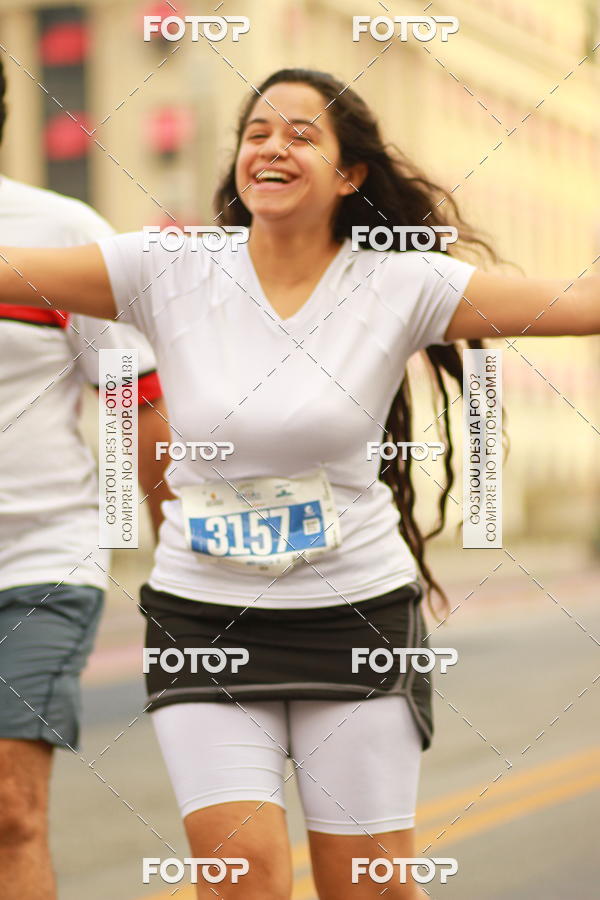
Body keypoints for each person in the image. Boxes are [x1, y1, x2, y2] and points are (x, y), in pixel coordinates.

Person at [0, 68, 598, 899]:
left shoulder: (399, 281)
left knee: (367, 889)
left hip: (353, 615)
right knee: (240, 882)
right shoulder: (165, 270)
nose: (273, 147)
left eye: (301, 133)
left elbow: (577, 302)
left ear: (349, 174)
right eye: (256, 133)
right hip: (204, 619)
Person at [0, 62, 172, 900]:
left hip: (37, 557)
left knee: (9, 810)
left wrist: (173, 552)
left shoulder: (61, 233)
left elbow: (130, 404)